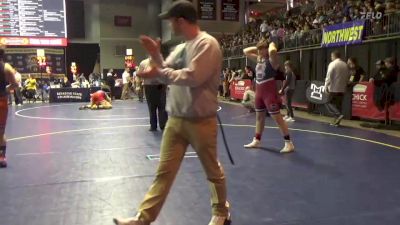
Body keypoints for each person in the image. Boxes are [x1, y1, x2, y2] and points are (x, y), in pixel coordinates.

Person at [113, 1, 230, 225]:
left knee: (212, 170)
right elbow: (165, 69)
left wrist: (161, 72)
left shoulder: (208, 44)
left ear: (181, 21)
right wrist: (156, 56)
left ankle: (221, 212)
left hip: (200, 121)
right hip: (176, 120)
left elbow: (193, 77)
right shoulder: (182, 47)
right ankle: (143, 218)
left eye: (170, 20)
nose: (169, 25)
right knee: (163, 173)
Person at [242, 40, 295, 153]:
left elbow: (272, 50)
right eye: (259, 49)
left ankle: (288, 143)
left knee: (278, 119)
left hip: (269, 94)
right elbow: (245, 51)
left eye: (262, 49)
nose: (260, 51)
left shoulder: (273, 60)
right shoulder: (258, 59)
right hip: (259, 93)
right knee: (259, 118)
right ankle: (257, 140)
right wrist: (259, 48)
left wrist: (271, 43)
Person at [0, 47, 18, 167]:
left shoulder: (6, 68)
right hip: (1, 100)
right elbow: (15, 84)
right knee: (0, 132)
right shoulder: (6, 67)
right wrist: (5, 89)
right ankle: (1, 157)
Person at [140, 58, 168, 131]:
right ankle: (153, 125)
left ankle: (163, 125)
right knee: (151, 107)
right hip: (149, 86)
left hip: (160, 86)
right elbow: (139, 74)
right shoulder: (143, 63)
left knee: (162, 106)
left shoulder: (162, 62)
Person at [323, 50, 350, 126]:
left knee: (327, 102)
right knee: (338, 105)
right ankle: (337, 122)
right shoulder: (345, 64)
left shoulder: (333, 64)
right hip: (342, 88)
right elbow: (347, 76)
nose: (331, 58)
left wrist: (326, 86)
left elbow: (329, 76)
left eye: (331, 56)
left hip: (334, 88)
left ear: (334, 56)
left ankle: (338, 115)